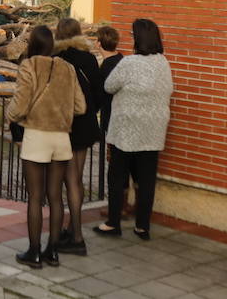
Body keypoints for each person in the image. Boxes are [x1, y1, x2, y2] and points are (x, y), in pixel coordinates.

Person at [9, 24, 85, 269]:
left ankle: (34, 252)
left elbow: (19, 106)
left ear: (32, 44)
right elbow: (80, 107)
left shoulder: (29, 66)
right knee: (55, 196)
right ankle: (53, 250)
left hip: (37, 135)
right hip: (61, 137)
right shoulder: (68, 68)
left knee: (35, 197)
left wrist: (9, 115)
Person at [95, 17, 172, 240]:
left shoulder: (129, 63)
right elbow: (169, 89)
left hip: (127, 130)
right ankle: (142, 226)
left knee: (117, 177)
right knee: (146, 180)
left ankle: (113, 223)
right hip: (153, 129)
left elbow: (109, 86)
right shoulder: (163, 63)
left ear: (138, 39)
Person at [53, 17, 103, 256]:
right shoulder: (89, 59)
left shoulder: (54, 60)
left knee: (57, 182)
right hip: (84, 125)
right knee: (76, 179)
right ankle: (75, 230)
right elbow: (98, 94)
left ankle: (69, 234)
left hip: (60, 125)